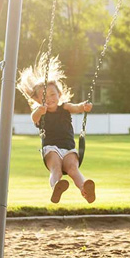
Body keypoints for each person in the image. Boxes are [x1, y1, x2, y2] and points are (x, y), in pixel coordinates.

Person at [17, 56, 96, 204]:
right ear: (39, 100)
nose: (50, 98)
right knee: (56, 169)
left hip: (68, 148)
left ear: (59, 94)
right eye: (44, 97)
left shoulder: (64, 107)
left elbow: (76, 107)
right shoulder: (41, 112)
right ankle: (56, 187)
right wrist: (40, 110)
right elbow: (34, 118)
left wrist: (84, 106)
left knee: (73, 168)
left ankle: (85, 190)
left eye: (53, 94)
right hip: (51, 148)